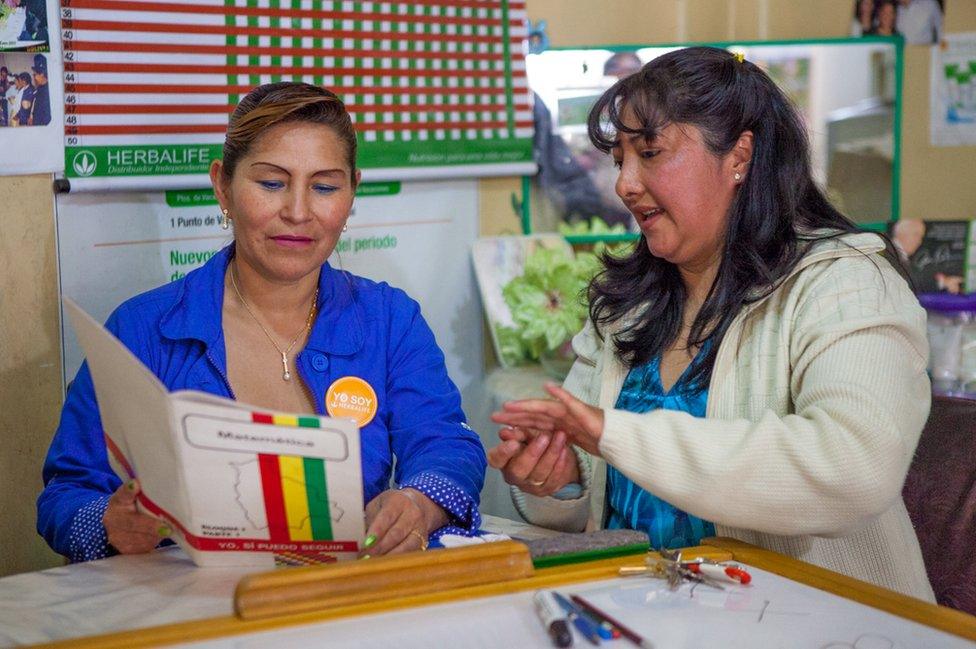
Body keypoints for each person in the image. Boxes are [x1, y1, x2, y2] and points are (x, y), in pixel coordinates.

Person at [488, 47, 934, 601]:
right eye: (620, 160)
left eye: (650, 153)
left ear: (739, 157)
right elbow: (591, 479)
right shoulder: (630, 303)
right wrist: (558, 478)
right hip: (641, 612)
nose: (625, 184)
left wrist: (613, 433)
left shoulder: (844, 280)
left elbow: (854, 465)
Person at [37, 82, 487, 561]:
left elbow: (448, 446)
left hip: (347, 606)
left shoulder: (390, 320)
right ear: (222, 185)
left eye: (325, 187)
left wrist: (421, 502)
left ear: (352, 192)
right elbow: (65, 494)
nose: (297, 211)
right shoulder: (141, 329)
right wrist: (110, 522)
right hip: (190, 616)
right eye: (271, 183)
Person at [28, 54, 49, 126]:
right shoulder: (39, 88)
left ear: (42, 74)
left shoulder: (48, 91)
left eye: (35, 75)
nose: (34, 78)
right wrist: (32, 117)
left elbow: (47, 117)